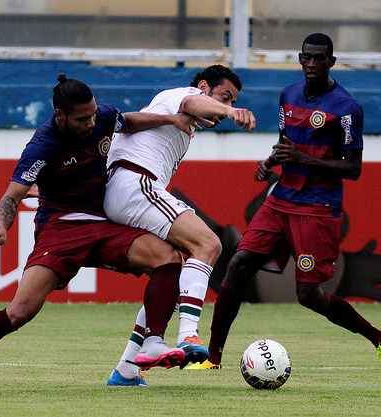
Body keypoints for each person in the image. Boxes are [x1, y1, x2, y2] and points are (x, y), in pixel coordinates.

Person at [0, 74, 208, 388]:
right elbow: (11, 195)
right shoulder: (43, 144)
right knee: (19, 312)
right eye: (82, 119)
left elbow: (128, 121)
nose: (91, 122)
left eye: (94, 114)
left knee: (167, 257)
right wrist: (0, 229)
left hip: (102, 222)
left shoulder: (102, 118)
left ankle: (151, 345)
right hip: (61, 228)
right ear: (60, 116)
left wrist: (170, 119)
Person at [188, 33, 381, 373]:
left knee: (309, 295)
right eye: (308, 57)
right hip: (280, 199)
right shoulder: (288, 95)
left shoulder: (346, 109)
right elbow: (284, 143)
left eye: (320, 58)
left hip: (317, 208)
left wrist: (302, 157)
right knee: (238, 264)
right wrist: (271, 162)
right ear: (300, 58)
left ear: (331, 62)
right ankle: (212, 358)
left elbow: (353, 168)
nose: (313, 64)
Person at [103, 65, 256, 383]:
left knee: (171, 276)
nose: (224, 108)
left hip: (121, 191)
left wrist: (222, 106)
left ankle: (127, 369)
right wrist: (231, 110)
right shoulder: (182, 95)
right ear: (204, 86)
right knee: (209, 243)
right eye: (224, 97)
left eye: (230, 102)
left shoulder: (176, 123)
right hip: (135, 183)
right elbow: (193, 104)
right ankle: (189, 335)